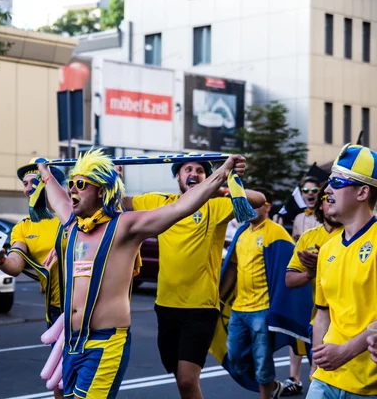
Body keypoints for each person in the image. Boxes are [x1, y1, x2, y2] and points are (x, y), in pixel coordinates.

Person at [38, 149, 247, 399]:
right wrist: (44, 172)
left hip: (105, 344)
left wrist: (223, 173)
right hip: (72, 343)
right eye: (71, 184)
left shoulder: (125, 226)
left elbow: (181, 207)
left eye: (80, 184)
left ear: (101, 191)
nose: (72, 189)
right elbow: (57, 198)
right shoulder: (72, 225)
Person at [122, 160, 266, 399]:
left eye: (200, 171)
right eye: (188, 169)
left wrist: (224, 186)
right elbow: (122, 202)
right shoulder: (160, 201)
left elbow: (258, 199)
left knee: (188, 380)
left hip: (200, 308)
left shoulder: (216, 204)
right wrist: (109, 180)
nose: (194, 174)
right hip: (166, 306)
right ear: (177, 176)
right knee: (180, 378)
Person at [308, 144, 377, 398]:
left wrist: (346, 351)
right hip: (326, 379)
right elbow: (323, 313)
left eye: (336, 182)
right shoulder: (327, 249)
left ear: (362, 192)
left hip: (368, 386)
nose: (327, 190)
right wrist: (317, 362)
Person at [222, 189, 295, 399]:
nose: (250, 208)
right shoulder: (241, 232)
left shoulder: (277, 232)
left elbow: (289, 266)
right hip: (238, 309)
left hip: (262, 310)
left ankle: (265, 395)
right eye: (247, 204)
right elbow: (233, 268)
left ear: (268, 206)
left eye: (255, 203)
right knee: (235, 357)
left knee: (262, 359)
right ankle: (273, 387)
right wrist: (220, 298)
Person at [0, 161, 66, 328]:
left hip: (89, 305)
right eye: (25, 184)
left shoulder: (72, 216)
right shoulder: (23, 227)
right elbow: (15, 266)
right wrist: (0, 260)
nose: (28, 188)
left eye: (35, 182)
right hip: (57, 310)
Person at [284, 182, 342, 391]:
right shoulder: (309, 237)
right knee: (321, 381)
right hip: (319, 321)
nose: (334, 202)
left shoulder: (353, 234)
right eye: (329, 199)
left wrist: (324, 266)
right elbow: (289, 280)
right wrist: (311, 273)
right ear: (320, 206)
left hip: (351, 323)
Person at [291, 177, 321, 242]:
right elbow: (293, 243)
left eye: (314, 190)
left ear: (320, 193)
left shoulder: (327, 216)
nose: (310, 193)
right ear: (302, 195)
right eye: (305, 190)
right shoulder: (298, 218)